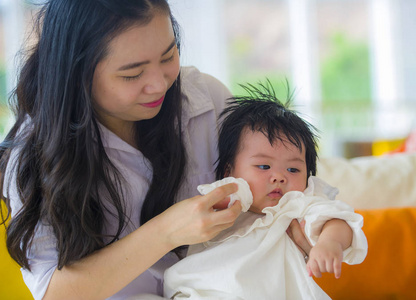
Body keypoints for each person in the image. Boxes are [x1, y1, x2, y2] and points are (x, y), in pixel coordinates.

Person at [0, 1, 247, 299]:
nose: (158, 85)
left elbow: (287, 183)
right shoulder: (37, 154)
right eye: (132, 74)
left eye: (168, 56)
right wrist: (167, 231)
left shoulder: (208, 100)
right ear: (77, 74)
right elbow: (55, 293)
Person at [163, 82, 368, 299]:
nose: (279, 176)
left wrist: (329, 243)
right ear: (229, 171)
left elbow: (338, 220)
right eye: (264, 166)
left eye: (293, 169)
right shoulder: (229, 196)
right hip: (204, 291)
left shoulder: (298, 204)